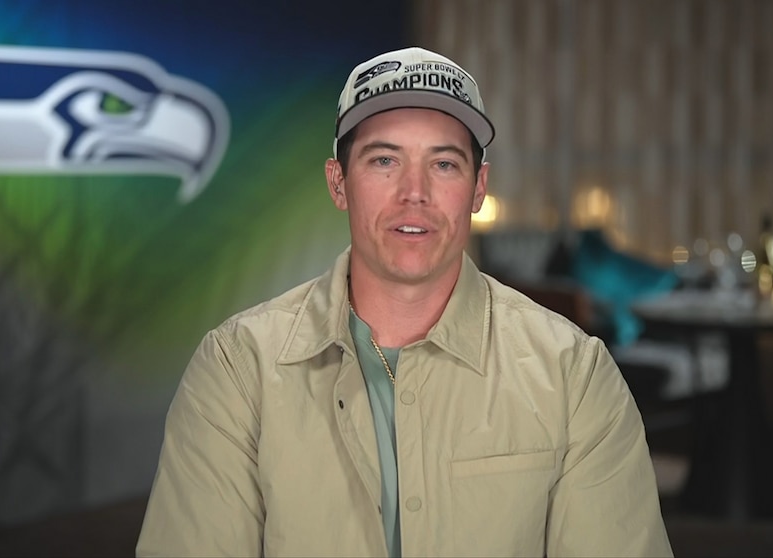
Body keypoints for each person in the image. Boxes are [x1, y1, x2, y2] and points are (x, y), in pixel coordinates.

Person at [136, 46, 672, 557]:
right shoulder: (237, 369)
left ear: (478, 187)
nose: (414, 191)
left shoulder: (573, 375)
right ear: (338, 183)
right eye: (384, 160)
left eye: (444, 164)